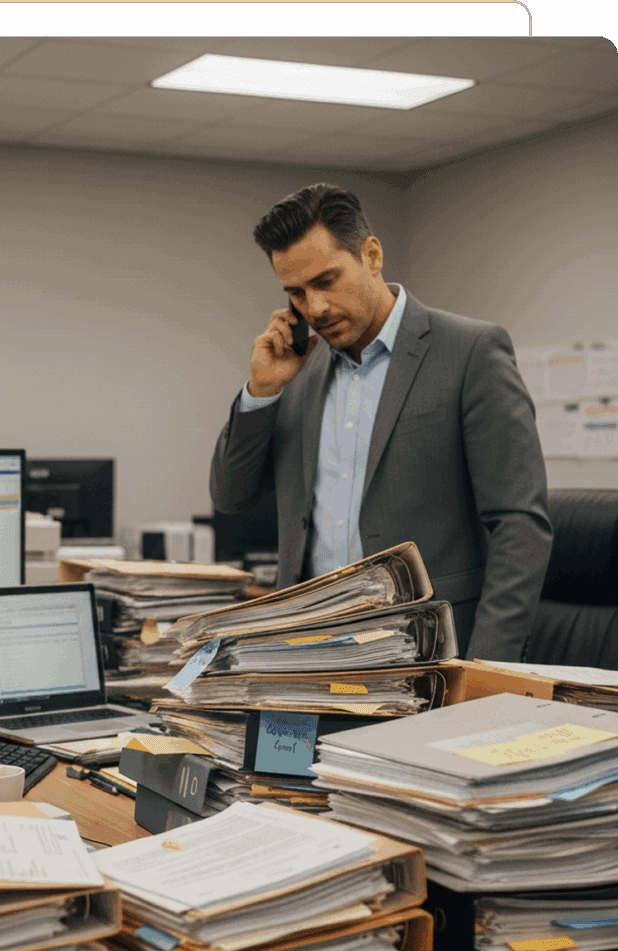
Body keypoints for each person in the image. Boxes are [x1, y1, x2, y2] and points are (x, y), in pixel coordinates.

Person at [211, 183, 551, 661]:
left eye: (327, 280)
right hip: (308, 655)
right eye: (296, 293)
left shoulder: (470, 352)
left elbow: (519, 525)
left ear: (371, 256)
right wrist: (261, 391)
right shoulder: (298, 369)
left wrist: (487, 666)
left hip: (429, 656)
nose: (316, 308)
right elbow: (230, 496)